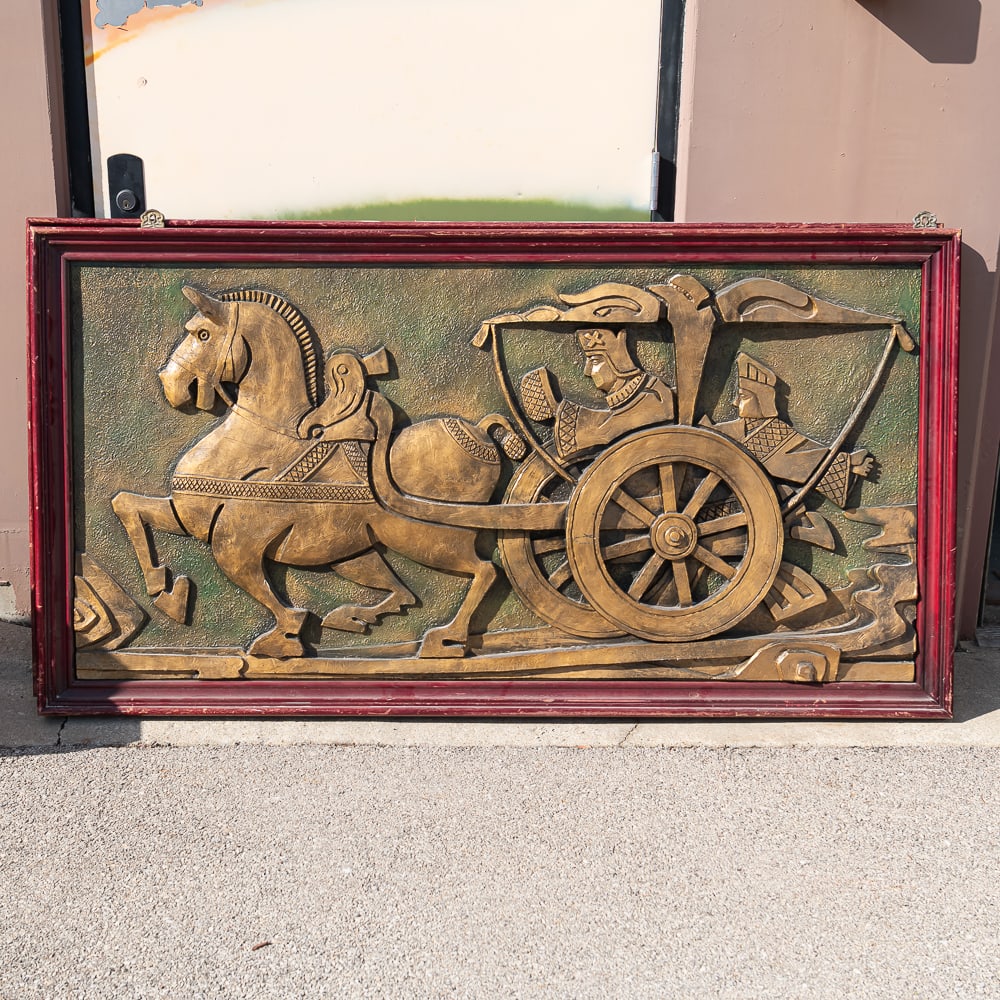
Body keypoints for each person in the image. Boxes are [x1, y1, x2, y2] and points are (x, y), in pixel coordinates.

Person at [710, 353, 873, 508]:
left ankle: (843, 465)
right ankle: (843, 465)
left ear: (761, 400)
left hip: (750, 504)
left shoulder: (774, 430)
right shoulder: (734, 429)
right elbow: (704, 439)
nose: (735, 402)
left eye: (743, 396)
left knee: (784, 476)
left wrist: (847, 463)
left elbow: (803, 455)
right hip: (723, 504)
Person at [521, 328, 675, 461]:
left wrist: (559, 411)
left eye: (594, 361)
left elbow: (605, 430)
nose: (587, 372)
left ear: (617, 363)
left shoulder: (653, 397)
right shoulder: (630, 398)